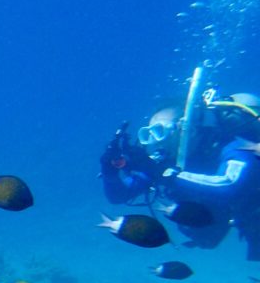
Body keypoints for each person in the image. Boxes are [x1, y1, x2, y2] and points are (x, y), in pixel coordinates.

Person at [101, 80, 260, 258]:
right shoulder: (164, 160)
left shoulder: (235, 146)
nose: (155, 141)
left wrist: (163, 174)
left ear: (186, 129)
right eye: (148, 134)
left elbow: (230, 185)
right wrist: (110, 172)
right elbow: (119, 195)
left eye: (160, 131)